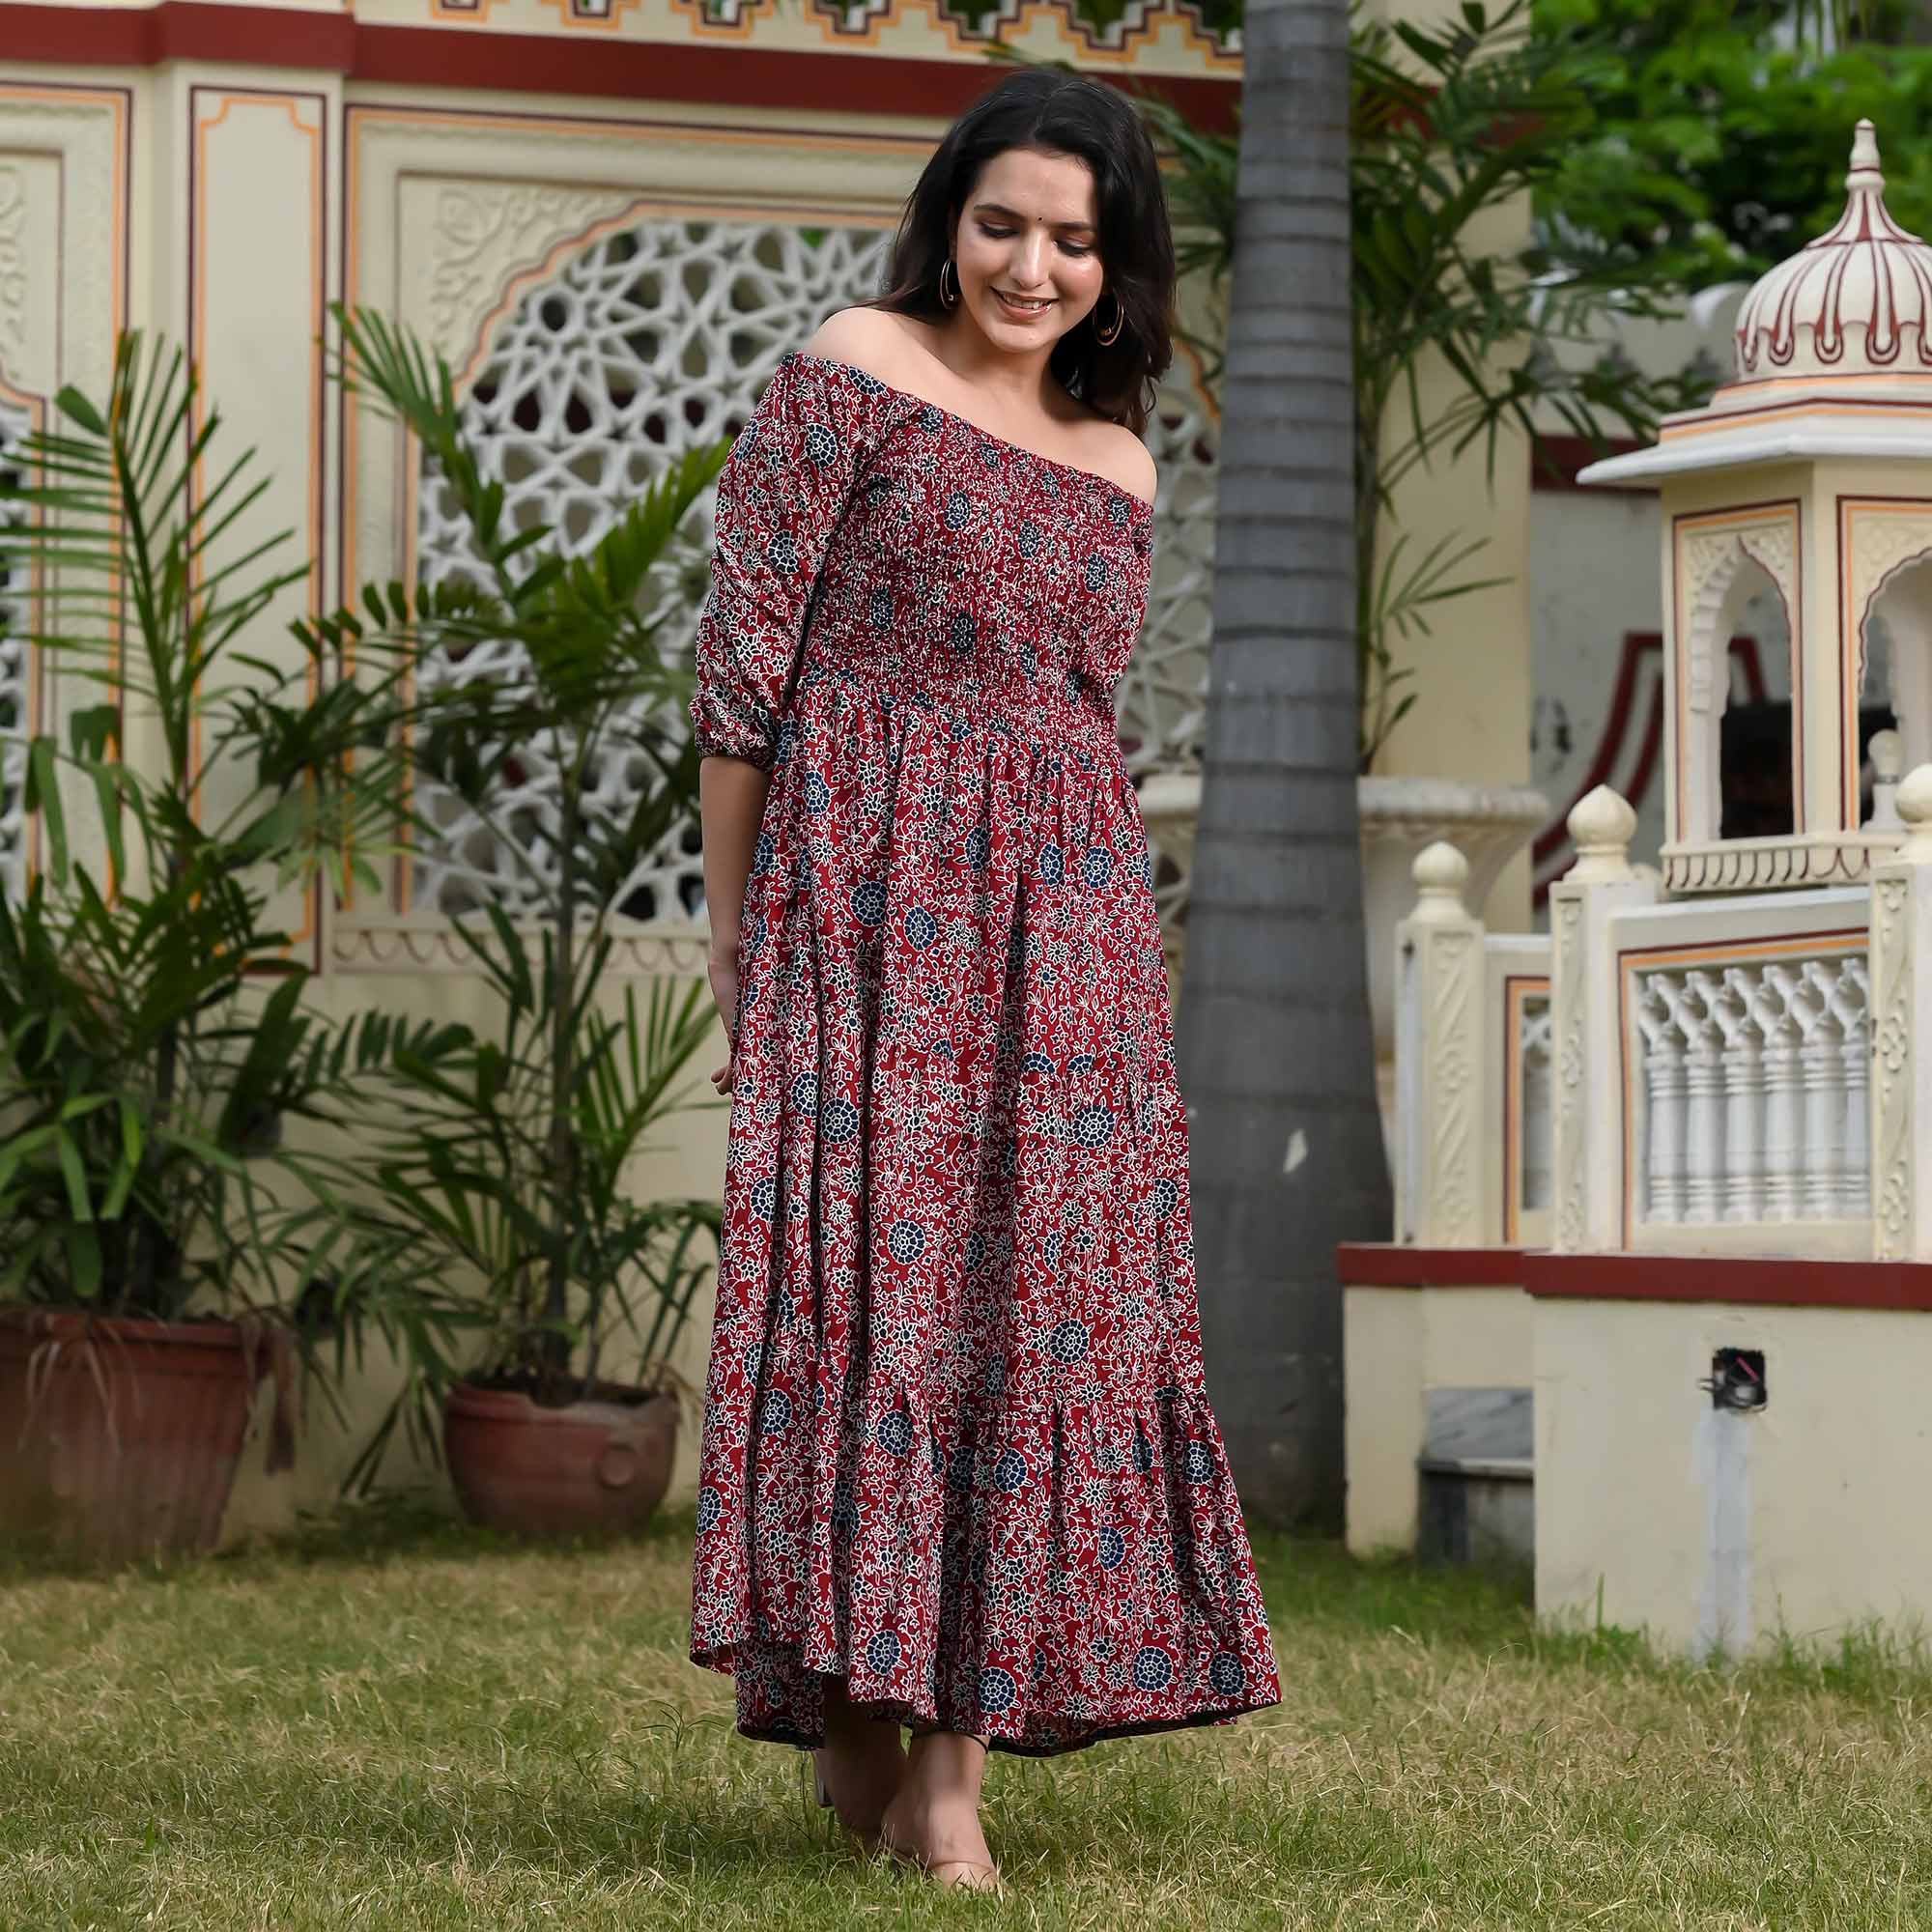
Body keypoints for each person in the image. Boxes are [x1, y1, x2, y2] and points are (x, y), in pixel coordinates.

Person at [686, 66, 1281, 1894]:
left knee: (1029, 1322)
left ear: (1121, 268)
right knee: (863, 1298)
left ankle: (954, 1770)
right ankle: (851, 1707)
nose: (1035, 266)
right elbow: (742, 675)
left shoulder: (1119, 460)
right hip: (860, 911)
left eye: (1076, 241)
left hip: (1068, 937)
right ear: (953, 215)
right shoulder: (849, 367)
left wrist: (1116, 968)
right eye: (1007, 223)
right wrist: (737, 935)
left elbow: (1084, 726)